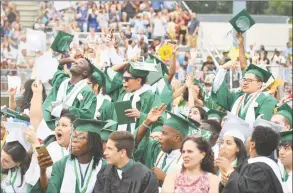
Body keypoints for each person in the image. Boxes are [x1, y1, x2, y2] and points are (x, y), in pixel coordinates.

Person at [216, 125, 286, 193]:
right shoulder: (251, 163)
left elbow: (246, 190)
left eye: (250, 137)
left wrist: (230, 171)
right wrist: (226, 181)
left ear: (252, 144)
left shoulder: (259, 169)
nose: (247, 139)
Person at [212, 57, 277, 127]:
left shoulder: (267, 100)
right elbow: (218, 90)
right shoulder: (236, 97)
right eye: (244, 80)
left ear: (259, 84)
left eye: (249, 80)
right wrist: (223, 69)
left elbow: (263, 125)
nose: (245, 83)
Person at [45, 119, 106, 193]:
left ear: (92, 143)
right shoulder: (61, 165)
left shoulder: (104, 167)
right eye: (74, 136)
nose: (74, 140)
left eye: (81, 137)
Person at [134, 106, 189, 186]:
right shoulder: (158, 150)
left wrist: (165, 178)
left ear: (176, 138)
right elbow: (137, 143)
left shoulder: (188, 161)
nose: (160, 136)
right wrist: (148, 121)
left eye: (164, 133)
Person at [105, 59, 163, 134]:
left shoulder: (150, 97)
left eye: (126, 79)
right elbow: (111, 72)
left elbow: (160, 122)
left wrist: (140, 116)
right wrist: (128, 62)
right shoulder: (123, 93)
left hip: (139, 142)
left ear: (138, 80)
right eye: (123, 78)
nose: (123, 81)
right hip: (119, 139)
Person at [42, 54, 97, 129]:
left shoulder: (87, 92)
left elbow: (87, 116)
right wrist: (69, 59)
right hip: (47, 125)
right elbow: (49, 65)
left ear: (85, 72)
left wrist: (67, 109)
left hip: (68, 132)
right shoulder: (61, 80)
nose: (76, 63)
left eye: (80, 63)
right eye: (75, 62)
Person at [93, 131, 159, 193]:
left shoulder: (145, 176)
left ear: (122, 153)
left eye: (110, 149)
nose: (105, 152)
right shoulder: (104, 172)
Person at [217, 113, 251, 192]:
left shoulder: (246, 168)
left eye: (228, 143)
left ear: (238, 148)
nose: (223, 146)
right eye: (222, 142)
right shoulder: (214, 164)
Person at [1, 121, 32, 193]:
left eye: (6, 161)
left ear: (18, 162)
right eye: (1, 156)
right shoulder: (6, 168)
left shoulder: (27, 178)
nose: (1, 161)